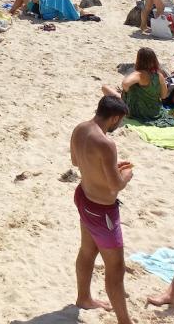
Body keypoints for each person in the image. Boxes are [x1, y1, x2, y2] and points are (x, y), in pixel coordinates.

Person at [69, 95, 133, 324]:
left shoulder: (80, 129)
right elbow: (115, 186)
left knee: (88, 250)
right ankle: (125, 321)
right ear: (114, 117)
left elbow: (77, 162)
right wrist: (125, 176)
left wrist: (107, 169)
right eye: (120, 121)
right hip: (102, 210)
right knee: (115, 269)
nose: (119, 125)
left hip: (84, 197)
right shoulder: (106, 143)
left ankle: (84, 298)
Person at [101, 47, 168, 121]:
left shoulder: (139, 74)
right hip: (154, 112)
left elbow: (125, 84)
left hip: (136, 111)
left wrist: (127, 94)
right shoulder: (159, 75)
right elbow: (164, 96)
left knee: (105, 88)